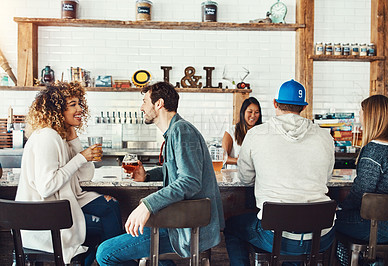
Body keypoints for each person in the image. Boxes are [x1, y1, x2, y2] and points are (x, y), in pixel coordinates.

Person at [96, 81, 225, 266]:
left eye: (144, 101)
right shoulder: (175, 130)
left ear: (159, 104)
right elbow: (175, 170)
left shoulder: (181, 130)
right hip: (178, 224)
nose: (141, 107)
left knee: (105, 254)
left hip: (186, 229)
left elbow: (189, 181)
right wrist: (147, 176)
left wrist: (147, 205)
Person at [224, 79, 335, 266]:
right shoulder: (325, 136)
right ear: (304, 107)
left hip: (276, 236)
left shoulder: (256, 134)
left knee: (232, 226)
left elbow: (245, 177)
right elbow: (326, 178)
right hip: (321, 236)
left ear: (275, 104)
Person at [15, 82, 123, 266]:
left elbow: (85, 176)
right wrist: (81, 157)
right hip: (44, 221)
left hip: (57, 209)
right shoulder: (47, 137)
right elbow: (46, 186)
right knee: (106, 226)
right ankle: (119, 260)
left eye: (79, 103)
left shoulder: (60, 136)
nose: (80, 108)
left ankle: (115, 259)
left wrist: (74, 139)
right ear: (56, 110)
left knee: (110, 206)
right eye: (72, 104)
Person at [336, 95, 388, 243]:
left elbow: (360, 193)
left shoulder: (373, 151)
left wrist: (340, 208)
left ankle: (346, 260)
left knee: (325, 220)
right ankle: (377, 260)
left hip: (377, 226)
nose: (360, 116)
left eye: (361, 112)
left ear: (371, 117)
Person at [222, 97, 262, 167]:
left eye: (256, 112)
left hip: (257, 176)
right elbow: (223, 158)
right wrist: (240, 160)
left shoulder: (262, 131)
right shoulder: (231, 131)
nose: (253, 115)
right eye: (250, 112)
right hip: (235, 176)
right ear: (243, 112)